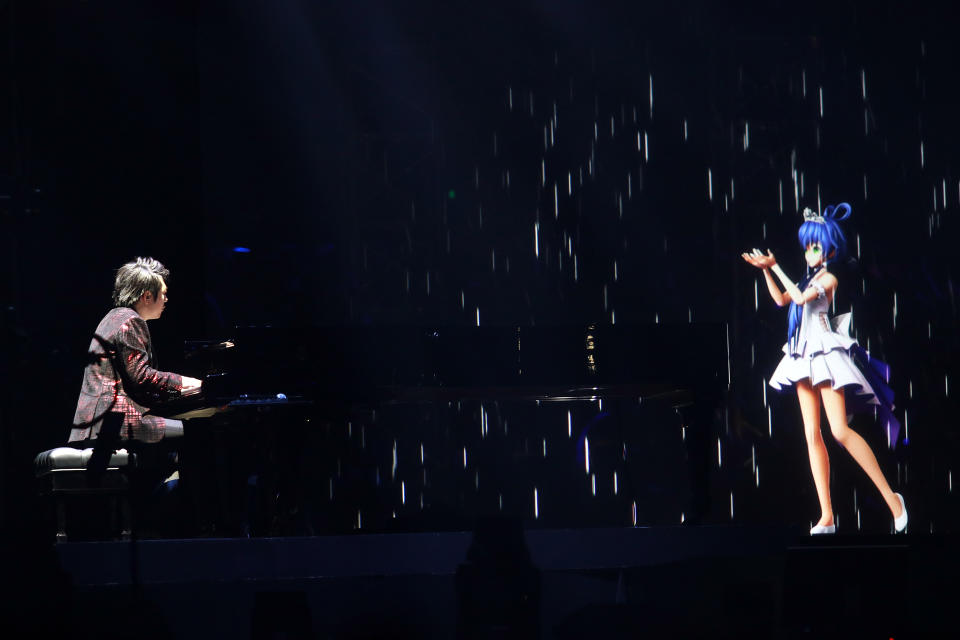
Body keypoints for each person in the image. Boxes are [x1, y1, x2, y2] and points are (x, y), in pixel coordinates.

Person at [742, 203, 907, 535]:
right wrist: (765, 270)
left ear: (829, 248)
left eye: (815, 246)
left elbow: (801, 300)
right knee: (810, 434)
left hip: (827, 353)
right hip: (803, 356)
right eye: (806, 247)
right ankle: (827, 515)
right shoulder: (806, 277)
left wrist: (776, 267)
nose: (809, 252)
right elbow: (781, 301)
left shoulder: (828, 277)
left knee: (839, 431)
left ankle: (893, 501)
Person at [70, 257, 202, 444]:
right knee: (197, 431)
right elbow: (141, 377)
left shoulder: (113, 317)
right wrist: (186, 382)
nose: (166, 299)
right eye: (163, 293)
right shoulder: (131, 321)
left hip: (97, 422)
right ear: (147, 296)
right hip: (118, 421)